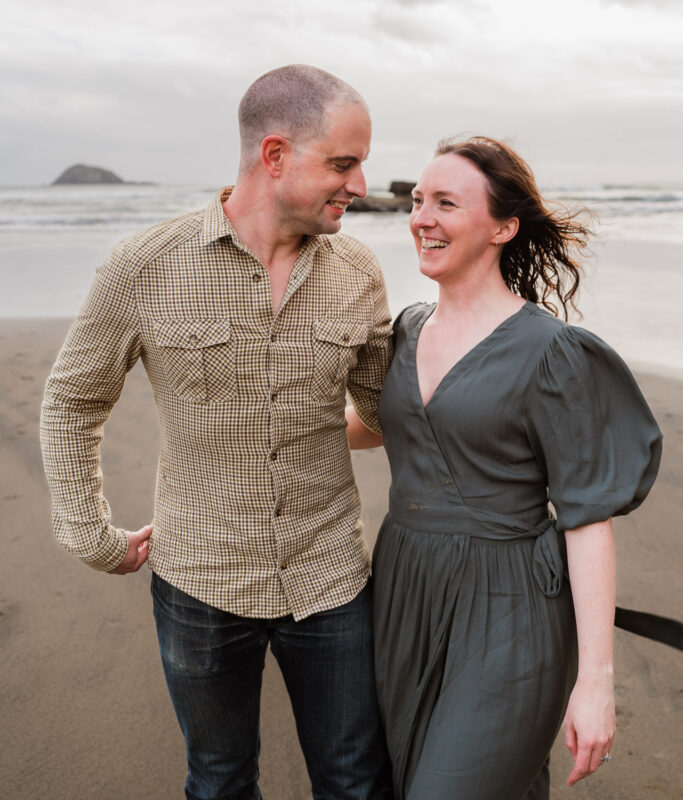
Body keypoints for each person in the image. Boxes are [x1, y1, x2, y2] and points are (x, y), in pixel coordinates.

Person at [40, 64, 395, 800]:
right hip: (199, 581)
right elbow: (73, 401)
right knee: (220, 781)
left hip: (331, 578)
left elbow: (393, 412)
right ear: (274, 156)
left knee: (357, 780)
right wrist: (87, 533)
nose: (360, 185)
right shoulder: (143, 266)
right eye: (342, 162)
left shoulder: (358, 272)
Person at [346, 136, 662, 800]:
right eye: (417, 200)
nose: (419, 217)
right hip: (403, 590)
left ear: (502, 226)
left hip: (510, 604)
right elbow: (379, 428)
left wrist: (595, 682)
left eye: (445, 203)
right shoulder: (402, 330)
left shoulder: (553, 353)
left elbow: (584, 522)